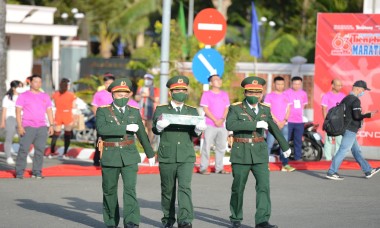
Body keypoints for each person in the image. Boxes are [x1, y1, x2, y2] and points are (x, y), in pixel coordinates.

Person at [226, 76, 291, 228]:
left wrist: (285, 146)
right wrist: (254, 124)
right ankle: (235, 217)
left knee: (263, 186)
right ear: (245, 93)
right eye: (251, 92)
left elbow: (274, 128)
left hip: (260, 153)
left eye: (257, 93)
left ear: (261, 94)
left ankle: (262, 220)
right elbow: (230, 124)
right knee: (238, 187)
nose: (254, 96)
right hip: (241, 151)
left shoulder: (265, 109)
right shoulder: (235, 108)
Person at [95, 78, 156, 228]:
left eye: (125, 94)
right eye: (118, 94)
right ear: (112, 95)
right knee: (109, 190)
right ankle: (110, 221)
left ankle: (131, 221)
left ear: (129, 95)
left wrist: (150, 153)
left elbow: (142, 134)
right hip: (110, 154)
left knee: (130, 190)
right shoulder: (103, 111)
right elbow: (102, 129)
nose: (122, 97)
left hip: (129, 155)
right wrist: (125, 128)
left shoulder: (134, 112)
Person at [152, 75, 207, 228]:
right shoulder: (162, 109)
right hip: (167, 155)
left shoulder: (192, 110)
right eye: (177, 90)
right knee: (167, 189)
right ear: (170, 92)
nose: (180, 92)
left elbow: (196, 134)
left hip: (185, 155)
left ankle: (185, 220)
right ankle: (168, 219)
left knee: (185, 187)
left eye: (183, 90)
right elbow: (155, 130)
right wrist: (159, 126)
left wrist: (198, 129)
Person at [326, 80, 380, 180]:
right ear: (358, 89)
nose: (363, 92)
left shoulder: (345, 99)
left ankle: (368, 170)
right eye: (363, 90)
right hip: (350, 129)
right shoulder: (355, 100)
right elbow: (356, 116)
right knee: (343, 150)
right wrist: (367, 115)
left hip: (345, 127)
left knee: (356, 151)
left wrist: (361, 114)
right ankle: (331, 172)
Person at [14, 75, 54, 179]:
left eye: (40, 82)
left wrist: (51, 125)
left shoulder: (45, 96)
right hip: (28, 126)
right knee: (23, 150)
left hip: (42, 127)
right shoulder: (23, 96)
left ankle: (37, 172)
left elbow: (49, 111)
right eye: (36, 81)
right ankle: (19, 172)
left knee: (40, 150)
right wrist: (20, 126)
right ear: (30, 83)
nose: (38, 84)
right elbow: (18, 112)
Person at [199, 74, 230, 175]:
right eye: (216, 80)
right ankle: (203, 168)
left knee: (221, 147)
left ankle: (219, 168)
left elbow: (226, 108)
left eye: (219, 79)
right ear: (211, 83)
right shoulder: (206, 94)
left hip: (222, 125)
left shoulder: (225, 94)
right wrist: (215, 120)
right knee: (207, 146)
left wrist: (221, 119)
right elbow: (205, 109)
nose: (219, 81)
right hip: (210, 124)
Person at [264, 76, 295, 172]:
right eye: (278, 84)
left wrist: (284, 120)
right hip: (273, 124)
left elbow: (289, 109)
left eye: (282, 84)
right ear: (274, 84)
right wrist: (277, 121)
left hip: (284, 124)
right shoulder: (269, 96)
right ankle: (264, 165)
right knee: (269, 144)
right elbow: (267, 110)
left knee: (284, 145)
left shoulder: (287, 96)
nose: (280, 86)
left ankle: (285, 164)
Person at [91, 73, 115, 166]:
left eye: (111, 83)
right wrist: (98, 118)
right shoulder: (99, 94)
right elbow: (94, 106)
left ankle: (110, 159)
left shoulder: (117, 94)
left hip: (114, 121)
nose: (109, 85)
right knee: (100, 140)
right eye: (107, 83)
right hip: (102, 121)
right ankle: (97, 159)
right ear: (104, 84)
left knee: (112, 141)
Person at [49, 78, 77, 158]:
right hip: (67, 114)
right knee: (67, 135)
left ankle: (52, 152)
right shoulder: (71, 95)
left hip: (58, 114)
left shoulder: (55, 94)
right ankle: (65, 153)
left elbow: (50, 102)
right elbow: (74, 106)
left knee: (56, 134)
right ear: (68, 85)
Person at [1, 80, 25, 165]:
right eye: (19, 87)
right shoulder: (7, 97)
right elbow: (4, 110)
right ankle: (8, 156)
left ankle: (24, 155)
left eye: (22, 86)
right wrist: (2, 122)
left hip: (21, 119)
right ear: (13, 88)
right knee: (9, 138)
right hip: (10, 119)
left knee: (23, 138)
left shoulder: (23, 96)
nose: (21, 88)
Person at [284, 76, 308, 161]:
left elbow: (304, 106)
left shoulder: (303, 94)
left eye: (298, 84)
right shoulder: (286, 93)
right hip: (289, 121)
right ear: (291, 83)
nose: (296, 85)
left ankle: (297, 157)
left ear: (301, 84)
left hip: (299, 121)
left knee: (298, 140)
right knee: (286, 140)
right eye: (295, 83)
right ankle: (285, 157)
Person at [321, 79, 345, 161]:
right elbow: (324, 109)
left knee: (339, 141)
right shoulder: (326, 96)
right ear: (333, 85)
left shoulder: (343, 96)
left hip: (339, 123)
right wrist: (326, 121)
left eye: (341, 85)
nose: (340, 87)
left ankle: (337, 159)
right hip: (330, 122)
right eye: (338, 85)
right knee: (328, 142)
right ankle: (328, 159)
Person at [135, 73, 160, 144]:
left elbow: (157, 100)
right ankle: (142, 143)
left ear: (152, 80)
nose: (147, 80)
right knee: (141, 127)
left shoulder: (155, 89)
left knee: (150, 127)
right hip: (141, 109)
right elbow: (136, 98)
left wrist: (148, 95)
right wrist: (141, 95)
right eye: (146, 79)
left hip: (151, 110)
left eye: (148, 79)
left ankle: (150, 143)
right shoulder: (140, 88)